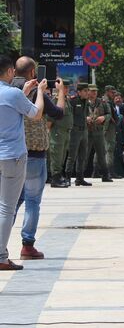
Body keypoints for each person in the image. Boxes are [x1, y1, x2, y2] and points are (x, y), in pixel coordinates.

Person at [10, 57, 65, 260]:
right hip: (34, 154)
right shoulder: (35, 91)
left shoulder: (7, 90)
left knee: (10, 202)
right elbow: (58, 113)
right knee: (32, 200)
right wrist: (61, 92)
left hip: (11, 153)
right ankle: (27, 244)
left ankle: (1, 243)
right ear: (33, 72)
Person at [0, 55, 47, 271]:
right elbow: (36, 114)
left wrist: (24, 92)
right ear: (9, 72)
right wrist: (40, 94)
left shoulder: (14, 94)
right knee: (7, 209)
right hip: (12, 157)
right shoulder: (13, 94)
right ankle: (1, 256)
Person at [84, 84, 113, 182]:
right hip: (86, 132)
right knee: (84, 154)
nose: (94, 93)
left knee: (101, 154)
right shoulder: (82, 102)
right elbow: (76, 115)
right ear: (87, 91)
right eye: (92, 91)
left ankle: (105, 175)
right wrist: (85, 118)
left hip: (98, 132)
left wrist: (104, 117)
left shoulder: (102, 102)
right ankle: (79, 176)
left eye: (95, 91)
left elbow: (109, 114)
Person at [48, 80, 73, 188]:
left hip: (66, 132)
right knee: (56, 156)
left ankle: (59, 176)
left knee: (62, 156)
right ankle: (55, 178)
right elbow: (49, 120)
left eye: (67, 88)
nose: (66, 89)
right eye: (64, 87)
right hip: (57, 132)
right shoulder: (54, 101)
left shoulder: (66, 101)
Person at [65, 84, 91, 186]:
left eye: (87, 90)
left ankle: (80, 178)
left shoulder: (86, 102)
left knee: (82, 156)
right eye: (85, 91)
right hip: (75, 131)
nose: (87, 93)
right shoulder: (73, 101)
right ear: (79, 92)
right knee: (72, 156)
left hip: (84, 131)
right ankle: (67, 177)